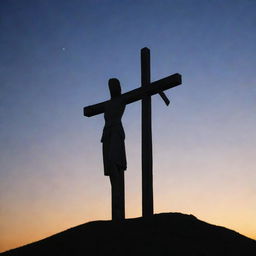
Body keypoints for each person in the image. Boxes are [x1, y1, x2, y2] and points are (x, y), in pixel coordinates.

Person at [100, 78, 127, 221]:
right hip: (106, 134)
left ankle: (118, 190)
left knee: (113, 160)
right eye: (110, 86)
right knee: (109, 165)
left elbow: (142, 92)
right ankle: (115, 190)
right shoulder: (106, 104)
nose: (113, 88)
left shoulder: (122, 99)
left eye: (115, 85)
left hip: (116, 132)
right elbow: (90, 110)